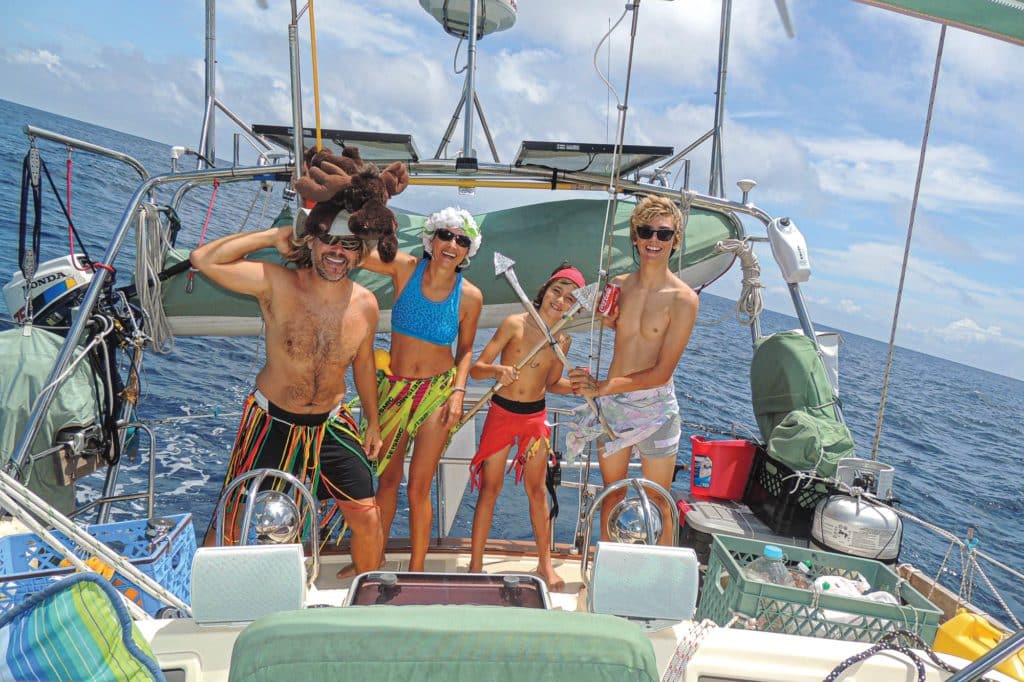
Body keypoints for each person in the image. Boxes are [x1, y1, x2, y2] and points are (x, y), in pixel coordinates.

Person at [190, 208, 385, 575]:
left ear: (359, 253)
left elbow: (363, 365)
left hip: (331, 424)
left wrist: (372, 422)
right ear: (310, 242)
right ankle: (202, 595)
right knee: (234, 516)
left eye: (348, 244)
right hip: (271, 422)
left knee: (368, 517)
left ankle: (366, 597)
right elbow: (204, 259)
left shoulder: (366, 305)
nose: (337, 251)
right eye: (328, 239)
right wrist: (273, 235)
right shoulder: (277, 283)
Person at [567, 195, 698, 545]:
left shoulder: (684, 299)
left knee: (659, 500)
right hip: (613, 405)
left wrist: (600, 388)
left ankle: (666, 582)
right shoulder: (619, 285)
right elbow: (621, 329)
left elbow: (661, 372)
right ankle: (609, 570)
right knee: (612, 495)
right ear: (635, 237)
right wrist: (608, 320)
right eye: (646, 231)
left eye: (664, 234)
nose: (654, 240)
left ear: (676, 240)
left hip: (655, 408)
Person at [360, 206, 483, 572]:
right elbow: (355, 255)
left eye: (462, 240)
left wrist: (459, 392)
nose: (452, 244)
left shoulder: (471, 297)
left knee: (418, 486)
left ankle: (416, 569)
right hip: (394, 391)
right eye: (445, 235)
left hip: (436, 396)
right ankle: (373, 558)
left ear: (467, 251)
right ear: (431, 239)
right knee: (387, 480)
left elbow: (466, 350)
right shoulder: (404, 269)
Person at [467, 264, 585, 589]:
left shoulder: (562, 340)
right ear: (544, 291)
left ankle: (545, 566)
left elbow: (551, 384)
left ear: (574, 307)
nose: (560, 301)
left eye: (569, 298)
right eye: (556, 292)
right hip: (501, 414)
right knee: (490, 489)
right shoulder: (514, 324)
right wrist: (497, 370)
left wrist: (578, 385)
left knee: (537, 491)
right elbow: (476, 369)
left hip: (534, 417)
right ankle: (475, 566)